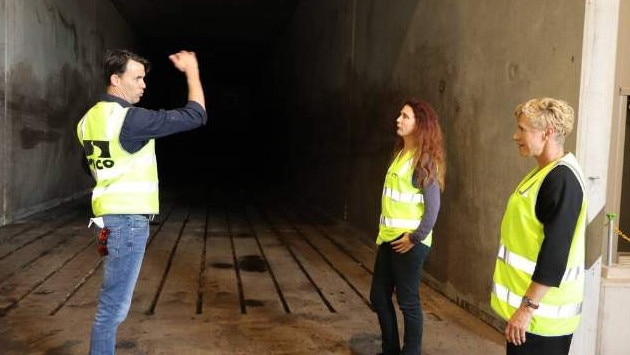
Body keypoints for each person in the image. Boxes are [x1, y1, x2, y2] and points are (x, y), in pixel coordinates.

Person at [76, 49, 206, 355]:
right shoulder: (130, 120)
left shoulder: (87, 120)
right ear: (115, 79)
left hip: (107, 218)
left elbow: (91, 165)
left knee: (112, 306)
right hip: (127, 222)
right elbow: (196, 114)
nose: (143, 85)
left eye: (144, 78)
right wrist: (192, 71)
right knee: (112, 309)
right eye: (137, 78)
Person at [490, 98, 587, 354]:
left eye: (522, 129)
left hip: (542, 319)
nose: (515, 136)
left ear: (547, 133)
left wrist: (526, 309)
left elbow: (555, 254)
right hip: (532, 317)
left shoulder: (561, 180)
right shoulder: (543, 172)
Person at [370, 98, 446, 354]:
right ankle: (390, 350)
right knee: (379, 298)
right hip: (390, 239)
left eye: (405, 117)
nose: (398, 120)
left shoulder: (423, 161)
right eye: (399, 115)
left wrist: (415, 237)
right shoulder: (402, 154)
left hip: (410, 243)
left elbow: (433, 207)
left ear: (419, 125)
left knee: (408, 302)